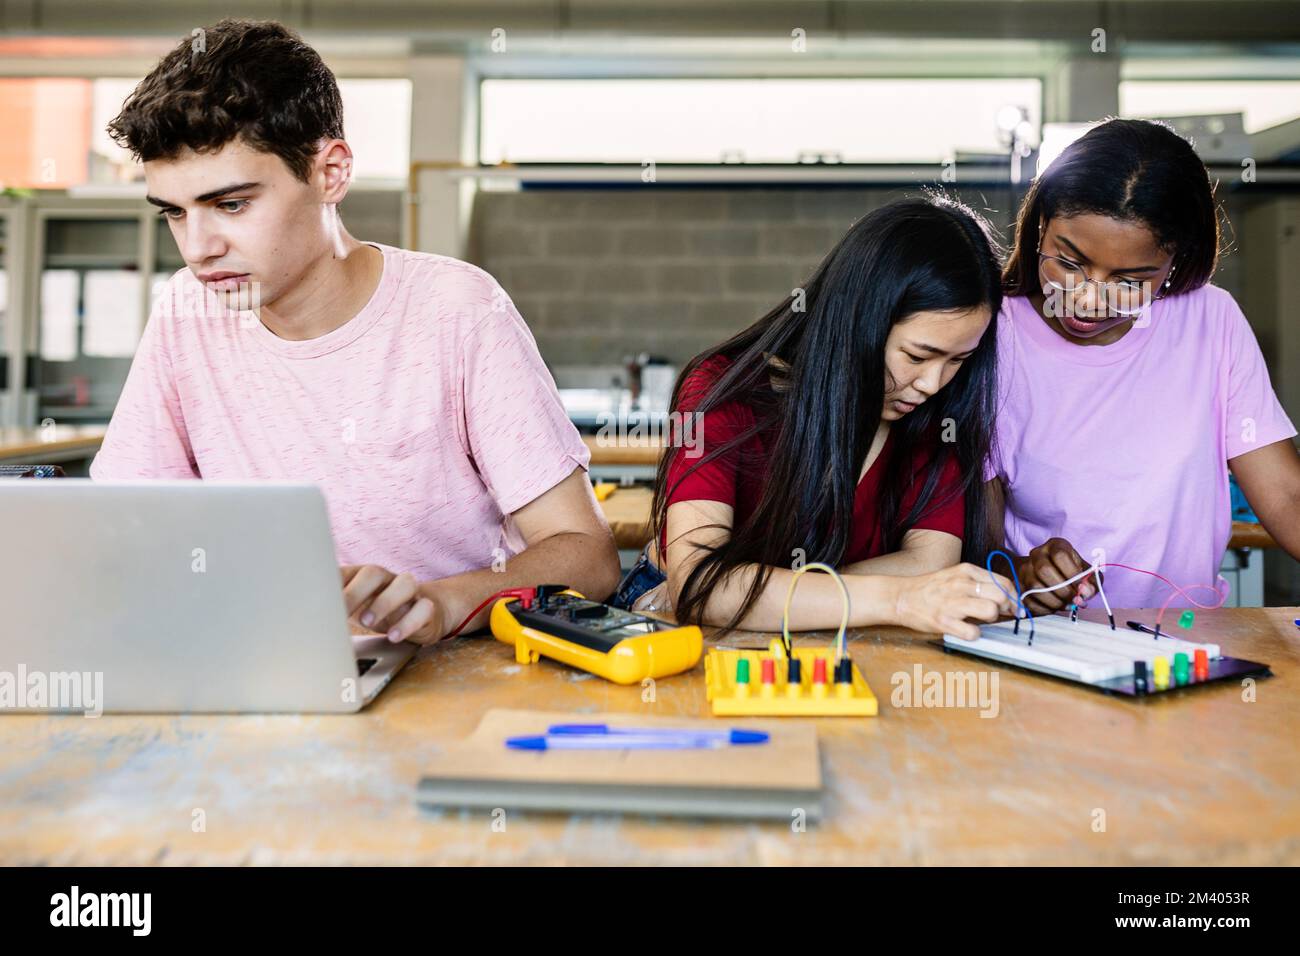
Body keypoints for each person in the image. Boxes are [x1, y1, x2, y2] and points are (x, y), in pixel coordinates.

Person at [92, 19, 620, 644]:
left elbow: (588, 557)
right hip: (260, 658)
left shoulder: (458, 308)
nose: (198, 249)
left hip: (445, 675)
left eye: (231, 205)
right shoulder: (186, 310)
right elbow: (127, 532)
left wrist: (445, 603)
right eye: (175, 213)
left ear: (330, 173)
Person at [615, 197, 1016, 640]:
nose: (932, 384)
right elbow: (700, 586)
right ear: (857, 320)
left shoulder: (939, 415)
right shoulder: (720, 390)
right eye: (917, 355)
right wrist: (898, 597)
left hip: (841, 630)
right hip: (671, 619)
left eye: (958, 360)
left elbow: (930, 563)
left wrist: (759, 594)